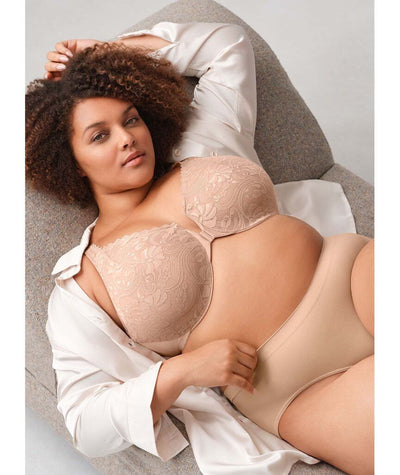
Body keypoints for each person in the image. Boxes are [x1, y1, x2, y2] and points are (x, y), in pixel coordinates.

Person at [26, 21, 374, 475]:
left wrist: (108, 56)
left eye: (130, 119)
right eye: (99, 135)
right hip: (297, 388)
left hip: (355, 278)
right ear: (71, 161)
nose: (127, 137)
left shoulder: (202, 144)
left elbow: (227, 48)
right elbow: (84, 421)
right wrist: (180, 373)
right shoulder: (82, 285)